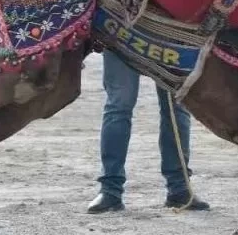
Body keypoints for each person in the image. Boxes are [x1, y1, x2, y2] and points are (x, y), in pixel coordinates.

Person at [86, 51, 209, 213]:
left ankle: (179, 188)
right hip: (121, 40)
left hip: (172, 39)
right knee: (119, 105)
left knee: (176, 107)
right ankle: (110, 190)